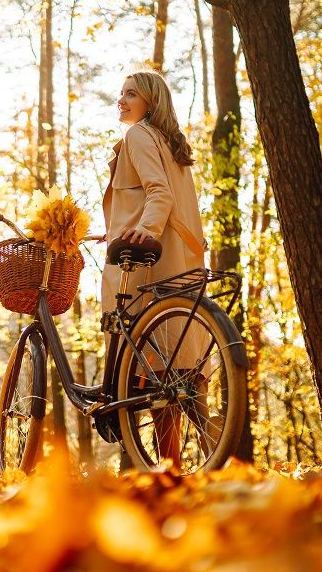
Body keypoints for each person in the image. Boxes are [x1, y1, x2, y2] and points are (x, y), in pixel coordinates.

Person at [101, 69, 210, 467]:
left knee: (148, 364)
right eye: (121, 93)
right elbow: (158, 198)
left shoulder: (138, 135)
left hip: (151, 260)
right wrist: (115, 230)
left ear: (151, 100)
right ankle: (188, 462)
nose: (123, 99)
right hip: (180, 256)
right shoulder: (169, 141)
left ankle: (164, 469)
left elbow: (157, 193)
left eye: (132, 93)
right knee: (179, 367)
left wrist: (142, 232)